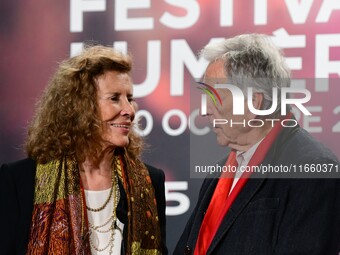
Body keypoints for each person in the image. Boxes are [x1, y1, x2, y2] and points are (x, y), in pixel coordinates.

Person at [174, 34, 340, 254]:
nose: (204, 110)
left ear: (253, 103)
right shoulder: (217, 173)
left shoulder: (314, 169)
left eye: (214, 97)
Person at [0, 45, 167, 255]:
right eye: (114, 98)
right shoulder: (21, 180)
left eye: (130, 98)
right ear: (80, 107)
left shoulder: (150, 181)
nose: (129, 110)